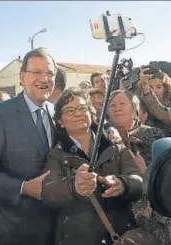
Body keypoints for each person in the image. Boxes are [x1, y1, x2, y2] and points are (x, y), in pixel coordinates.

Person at [0, 48, 57, 245]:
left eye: (50, 73)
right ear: (22, 77)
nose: (44, 79)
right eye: (36, 72)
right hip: (13, 229)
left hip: (56, 227)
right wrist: (23, 188)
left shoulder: (57, 112)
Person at [42, 88, 143, 245]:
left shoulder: (114, 144)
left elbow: (138, 179)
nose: (77, 113)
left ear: (91, 112)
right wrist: (74, 187)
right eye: (69, 110)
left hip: (119, 232)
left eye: (82, 108)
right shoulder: (56, 154)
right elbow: (49, 192)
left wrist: (122, 184)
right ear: (60, 121)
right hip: (78, 237)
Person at [108, 90, 171, 245]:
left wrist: (146, 171)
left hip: (150, 214)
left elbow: (167, 177)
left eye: (122, 103)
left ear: (135, 109)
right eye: (112, 105)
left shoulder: (155, 135)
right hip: (115, 211)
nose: (117, 108)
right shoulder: (103, 138)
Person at [137, 70, 171, 136]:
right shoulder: (140, 103)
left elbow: (159, 111)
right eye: (150, 87)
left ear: (165, 88)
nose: (154, 91)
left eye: (158, 87)